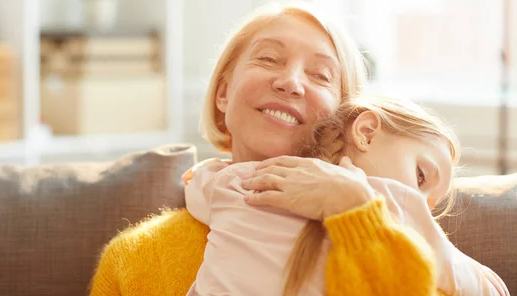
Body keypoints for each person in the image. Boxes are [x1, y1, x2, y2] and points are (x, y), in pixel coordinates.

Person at [88, 0, 504, 295]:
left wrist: (356, 212)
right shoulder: (138, 257)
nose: (291, 82)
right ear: (223, 93)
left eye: (321, 75)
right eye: (268, 59)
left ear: (347, 117)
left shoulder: (392, 223)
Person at [183, 95, 509, 296]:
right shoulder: (394, 203)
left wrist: (207, 170)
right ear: (366, 132)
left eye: (429, 204)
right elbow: (491, 289)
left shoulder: (240, 179)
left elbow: (198, 190)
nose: (421, 202)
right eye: (421, 176)